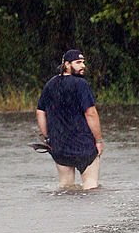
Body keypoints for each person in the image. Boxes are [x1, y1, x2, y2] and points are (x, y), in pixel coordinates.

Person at [36, 49, 104, 192]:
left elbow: (40, 111)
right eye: (78, 62)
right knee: (91, 187)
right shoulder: (81, 84)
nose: (83, 65)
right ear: (67, 64)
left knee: (65, 188)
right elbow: (91, 113)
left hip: (59, 146)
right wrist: (98, 140)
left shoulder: (50, 84)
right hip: (83, 145)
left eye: (83, 62)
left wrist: (47, 137)